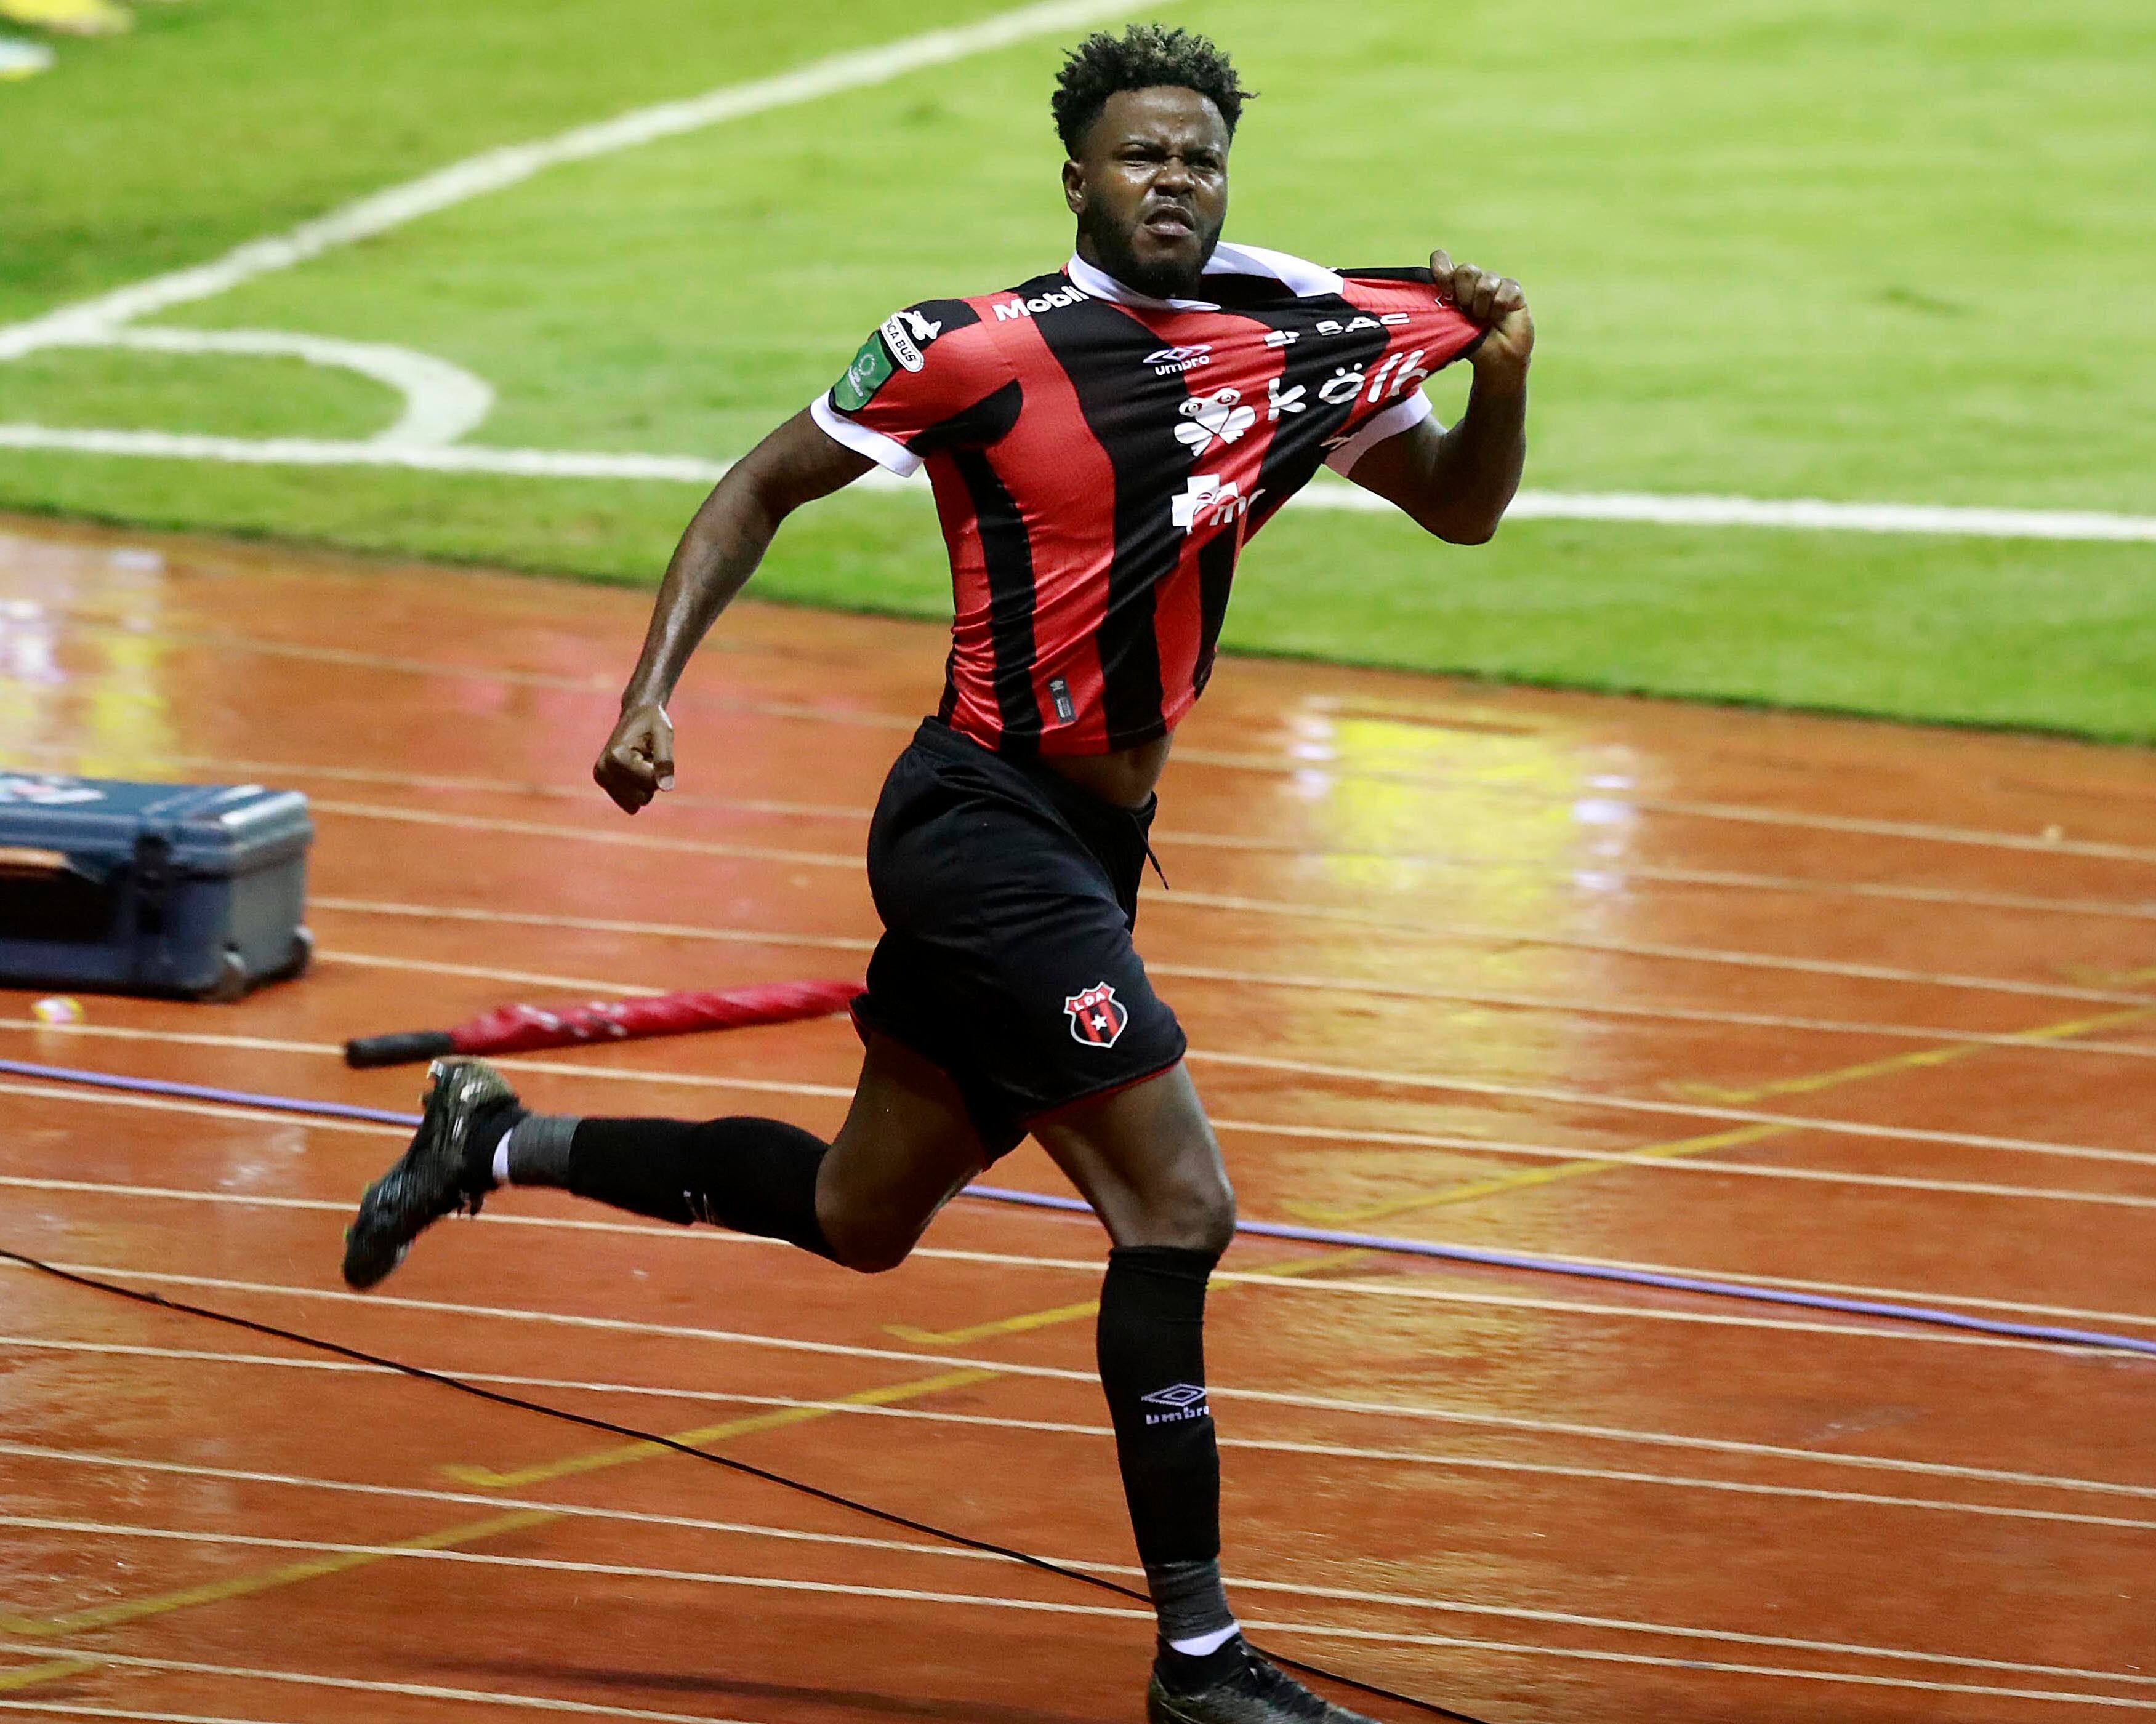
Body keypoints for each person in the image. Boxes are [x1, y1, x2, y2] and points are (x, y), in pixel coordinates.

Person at [342, 24, 1531, 1723]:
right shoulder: (969, 350)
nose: (1172, 180)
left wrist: (1502, 367)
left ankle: (493, 1134)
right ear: (1077, 180)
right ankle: (1199, 1661)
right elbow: (762, 481)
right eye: (1139, 155)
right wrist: (649, 691)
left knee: (858, 1212)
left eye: (1197, 156)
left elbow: (1463, 511)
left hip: (1091, 850)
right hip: (974, 827)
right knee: (1177, 1207)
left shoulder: (1289, 345)